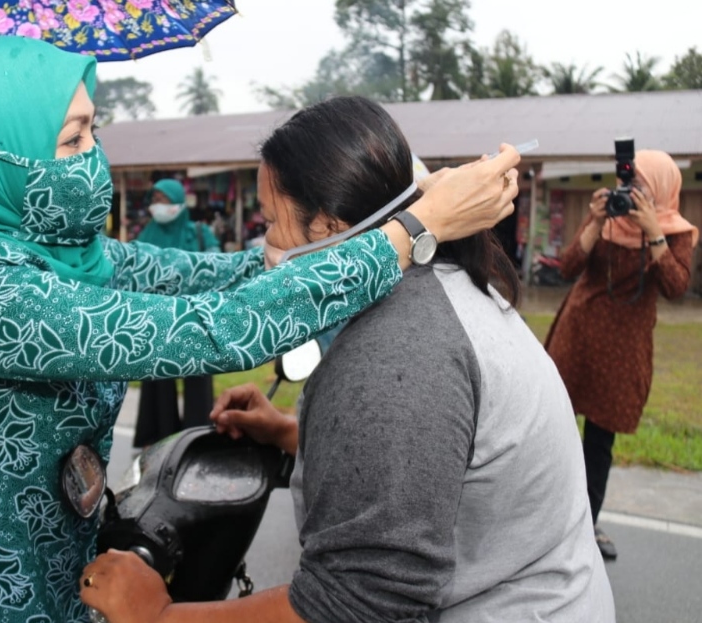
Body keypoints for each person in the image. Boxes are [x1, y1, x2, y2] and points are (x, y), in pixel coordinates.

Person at [0, 37, 519, 622]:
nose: (93, 158)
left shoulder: (58, 255)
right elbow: (214, 328)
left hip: (54, 566)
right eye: (71, 140)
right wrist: (409, 232)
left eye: (93, 131)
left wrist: (327, 237)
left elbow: (209, 278)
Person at [80, 96, 614, 623]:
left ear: (332, 228)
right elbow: (439, 458)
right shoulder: (437, 289)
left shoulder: (397, 351)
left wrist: (160, 614)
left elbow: (357, 603)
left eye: (270, 221)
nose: (263, 244)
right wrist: (297, 433)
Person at [544, 150, 698, 560]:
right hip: (578, 336)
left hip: (623, 350)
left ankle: (584, 526)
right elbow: (567, 266)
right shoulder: (607, 219)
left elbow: (676, 286)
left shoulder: (678, 232)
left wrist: (655, 232)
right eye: (630, 186)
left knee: (600, 441)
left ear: (663, 190)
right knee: (554, 430)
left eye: (643, 188)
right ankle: (543, 519)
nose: (632, 196)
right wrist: (596, 222)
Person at [133, 178, 221, 448]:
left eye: (164, 199)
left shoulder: (198, 232)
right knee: (159, 382)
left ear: (178, 201)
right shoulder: (146, 235)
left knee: (198, 381)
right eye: (155, 200)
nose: (158, 206)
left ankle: (197, 441)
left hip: (196, 319)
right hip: (159, 320)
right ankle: (160, 441)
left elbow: (216, 264)